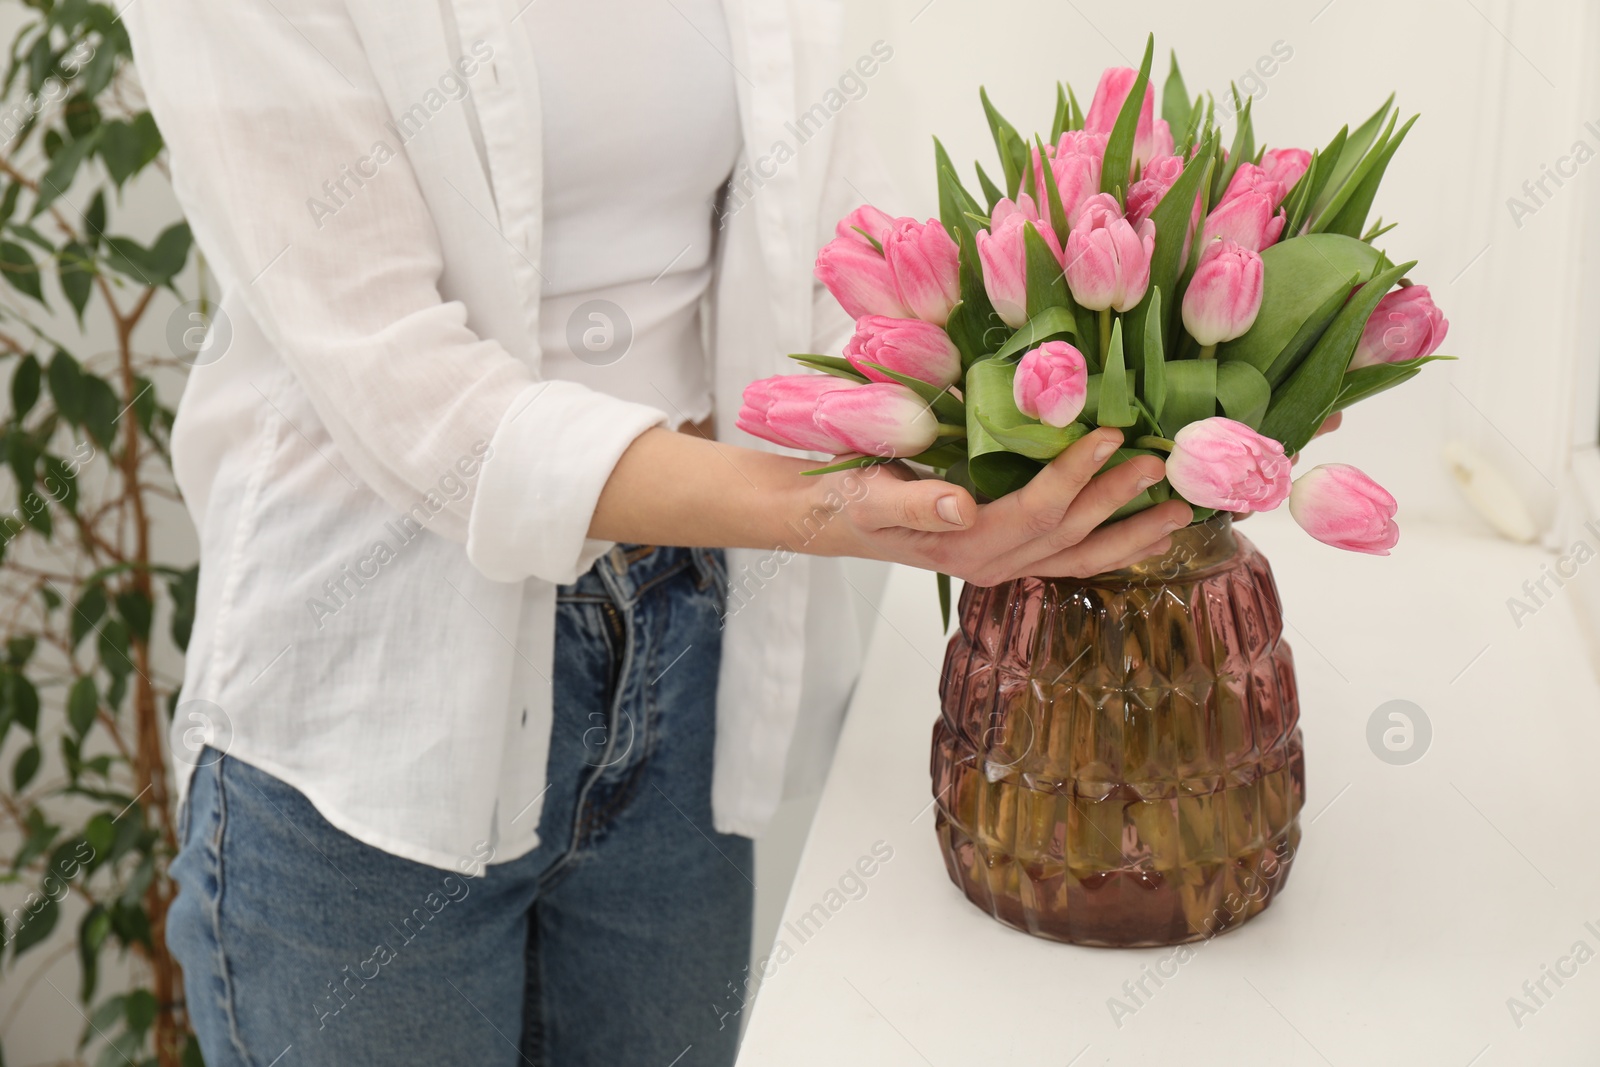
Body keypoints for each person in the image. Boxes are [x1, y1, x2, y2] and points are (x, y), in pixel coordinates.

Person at [125, 1, 1190, 1064]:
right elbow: (409, 392)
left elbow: (847, 239)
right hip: (374, 705)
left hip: (681, 641)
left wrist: (1048, 426)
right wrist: (829, 510)